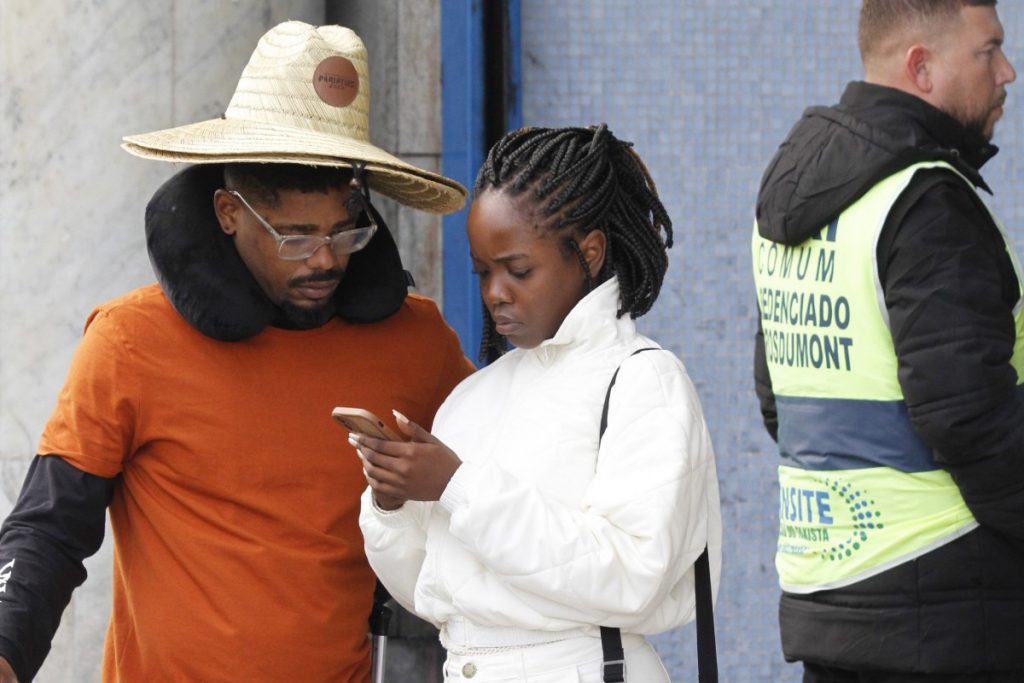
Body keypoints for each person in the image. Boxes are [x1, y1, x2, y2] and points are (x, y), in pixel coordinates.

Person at [0, 21, 475, 683]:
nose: (325, 259)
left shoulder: (418, 344)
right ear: (228, 211)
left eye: (345, 231)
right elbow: (48, 528)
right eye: (295, 236)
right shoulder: (128, 340)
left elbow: (498, 483)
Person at [356, 124, 722, 682]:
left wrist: (458, 486)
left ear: (590, 253)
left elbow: (631, 576)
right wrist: (391, 503)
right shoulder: (474, 395)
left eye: (518, 269)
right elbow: (427, 589)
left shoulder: (643, 381)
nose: (494, 292)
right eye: (483, 271)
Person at [752, 1, 1024, 680]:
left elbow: (778, 395)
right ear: (921, 67)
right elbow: (970, 417)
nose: (1008, 73)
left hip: (832, 598)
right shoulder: (925, 199)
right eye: (988, 51)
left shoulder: (799, 194)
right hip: (946, 608)